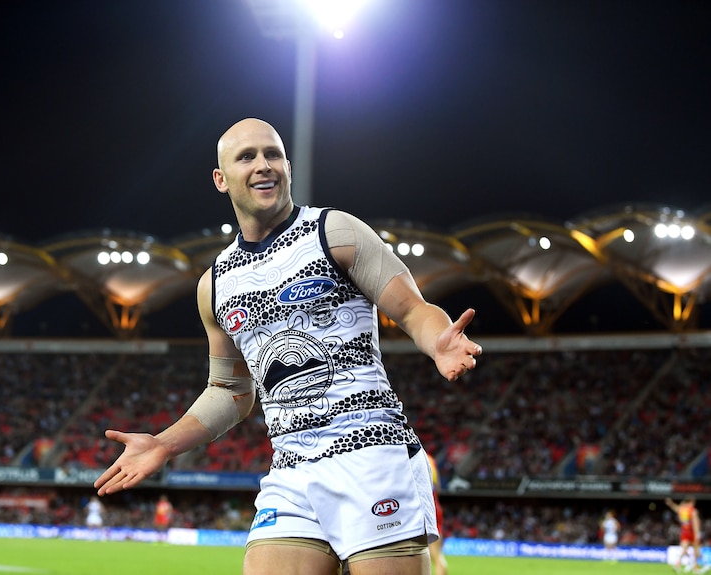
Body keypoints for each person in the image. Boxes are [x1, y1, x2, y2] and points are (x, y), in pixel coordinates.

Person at [94, 117, 483, 575]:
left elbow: (415, 310)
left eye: (272, 154)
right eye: (247, 157)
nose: (263, 165)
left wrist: (437, 342)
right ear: (221, 180)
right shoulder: (215, 284)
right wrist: (164, 443)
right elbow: (231, 392)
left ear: (289, 167)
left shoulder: (334, 232)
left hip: (372, 457)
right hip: (293, 468)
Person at [666, 497, 703, 573]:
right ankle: (696, 568)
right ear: (692, 502)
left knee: (684, 550)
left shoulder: (682, 509)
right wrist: (697, 534)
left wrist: (670, 503)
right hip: (691, 532)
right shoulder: (692, 510)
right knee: (696, 550)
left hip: (684, 532)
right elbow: (695, 522)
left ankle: (678, 564)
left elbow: (675, 508)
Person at [427, 453, 448, 575]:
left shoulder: (412, 455)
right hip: (435, 506)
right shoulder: (430, 459)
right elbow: (438, 488)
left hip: (424, 508)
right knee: (435, 555)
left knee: (433, 555)